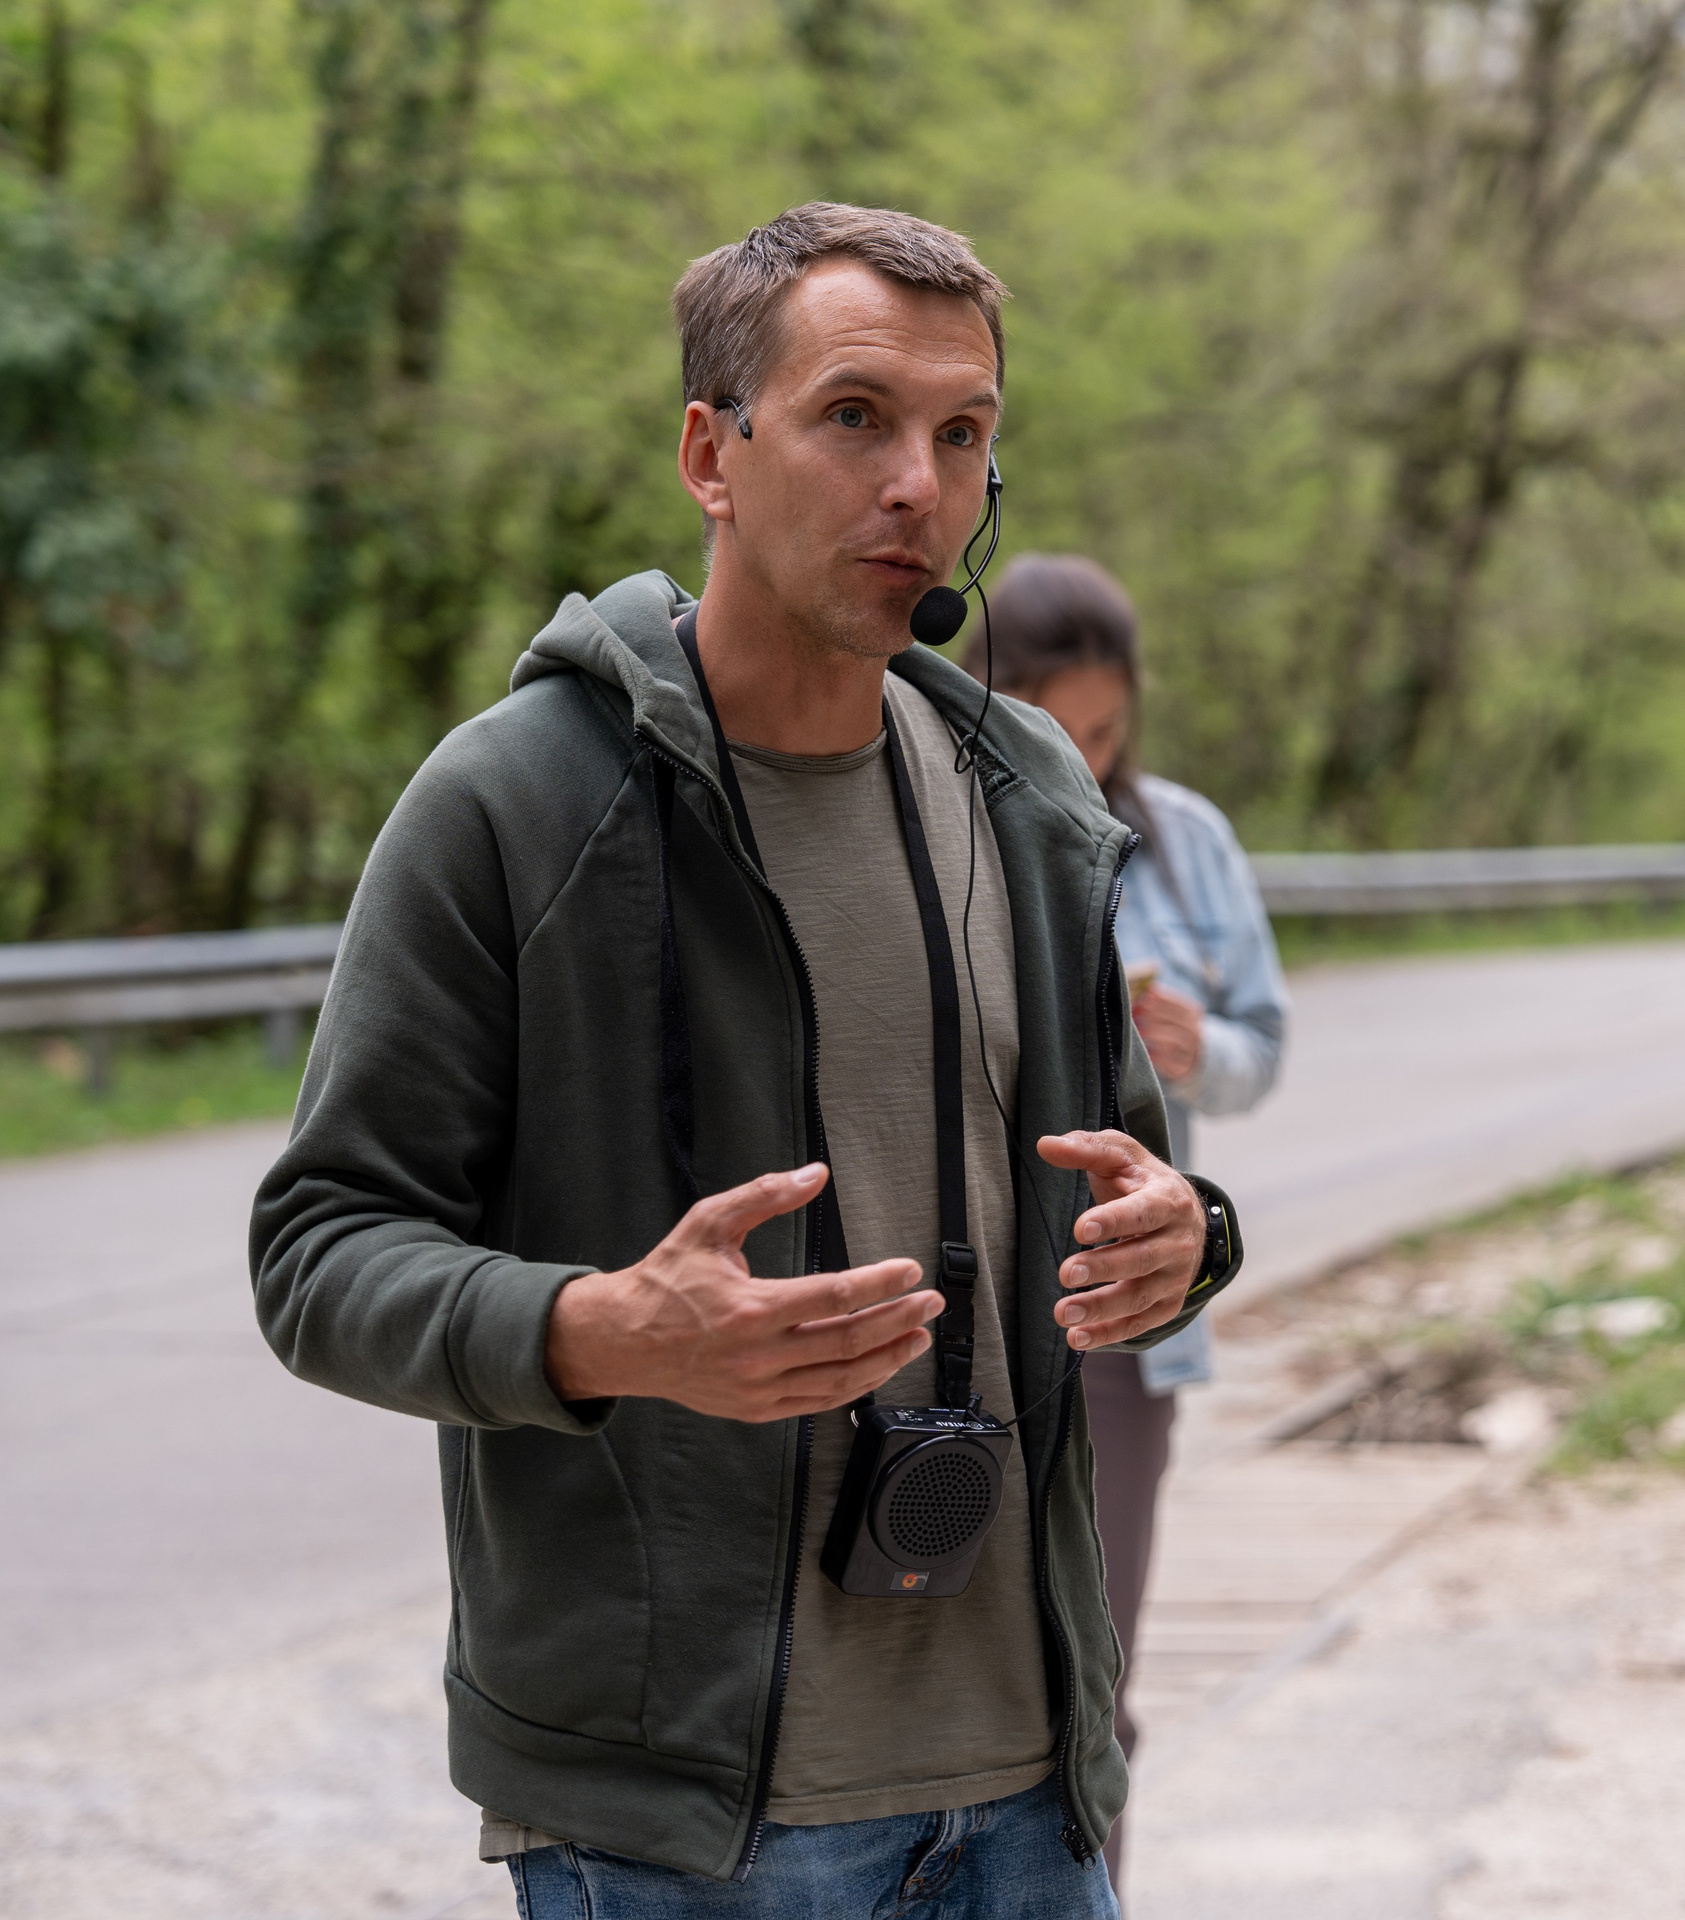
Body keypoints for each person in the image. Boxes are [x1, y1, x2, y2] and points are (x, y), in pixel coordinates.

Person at [250, 204, 1247, 1919]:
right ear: (712, 452)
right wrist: (603, 1332)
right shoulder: (514, 802)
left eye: (962, 435)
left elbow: (1149, 1201)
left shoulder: (1030, 803)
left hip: (1035, 1791)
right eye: (855, 416)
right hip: (686, 1825)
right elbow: (320, 1253)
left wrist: (1188, 1241)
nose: (916, 485)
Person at [960, 554, 1289, 1887]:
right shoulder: (929, 814)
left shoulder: (1189, 840)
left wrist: (1194, 1048)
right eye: (1056, 730)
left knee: (1098, 1681)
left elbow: (1264, 1050)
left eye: (1105, 733)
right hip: (967, 1308)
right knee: (954, 1688)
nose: (1084, 761)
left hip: (1124, 1324)